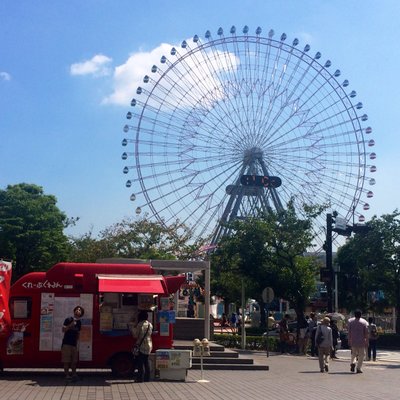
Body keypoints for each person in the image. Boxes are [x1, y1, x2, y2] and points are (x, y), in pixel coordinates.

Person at [61, 305, 84, 381]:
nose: (78, 310)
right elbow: (63, 330)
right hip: (66, 343)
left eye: (80, 310)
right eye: (77, 309)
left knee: (74, 362)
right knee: (66, 361)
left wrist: (77, 342)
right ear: (74, 311)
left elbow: (78, 333)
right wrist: (70, 325)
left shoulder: (79, 322)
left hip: (74, 344)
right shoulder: (68, 319)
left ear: (81, 313)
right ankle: (67, 375)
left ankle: (74, 374)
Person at [132, 310, 153, 382]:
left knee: (140, 363)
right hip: (149, 344)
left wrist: (133, 327)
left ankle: (140, 378)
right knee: (146, 362)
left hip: (141, 345)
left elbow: (135, 335)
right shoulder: (150, 324)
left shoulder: (140, 325)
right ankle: (147, 378)